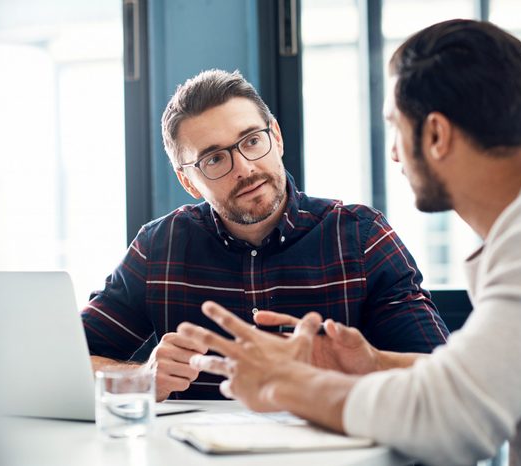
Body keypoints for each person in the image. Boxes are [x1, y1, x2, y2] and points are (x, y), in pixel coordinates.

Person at [178, 20, 521, 465]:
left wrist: (284, 382)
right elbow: (485, 379)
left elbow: (451, 419)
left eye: (396, 127)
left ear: (435, 135)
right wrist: (374, 363)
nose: (394, 152)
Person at [81, 69, 449, 401]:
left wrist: (362, 365)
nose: (244, 167)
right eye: (214, 159)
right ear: (187, 181)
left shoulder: (362, 236)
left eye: (252, 140)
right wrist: (140, 378)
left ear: (276, 136)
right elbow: (66, 364)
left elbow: (441, 377)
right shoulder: (157, 248)